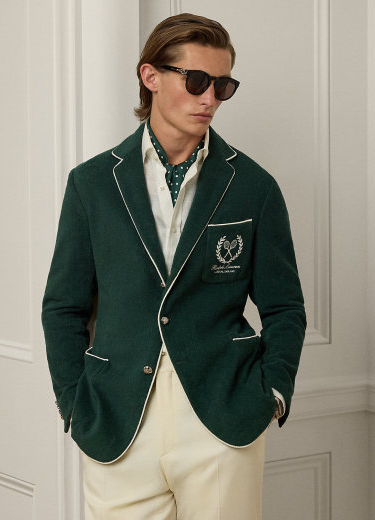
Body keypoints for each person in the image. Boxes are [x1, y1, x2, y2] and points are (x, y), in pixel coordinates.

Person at [42, 12, 306, 520]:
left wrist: (272, 393)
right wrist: (74, 403)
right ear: (151, 76)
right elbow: (63, 307)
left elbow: (284, 307)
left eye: (223, 86)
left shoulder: (254, 187)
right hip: (117, 419)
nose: (210, 99)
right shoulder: (92, 184)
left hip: (222, 418)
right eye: (197, 80)